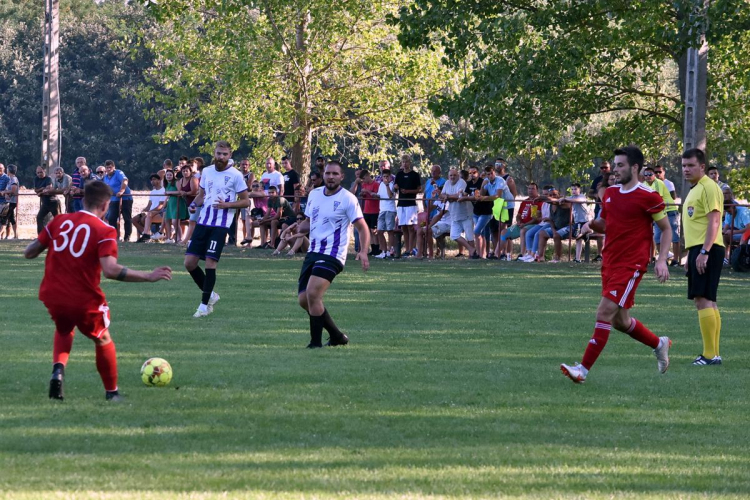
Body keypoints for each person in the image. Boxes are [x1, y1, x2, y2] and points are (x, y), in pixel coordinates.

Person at [23, 180, 172, 401]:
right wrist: (148, 276)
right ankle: (112, 393)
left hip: (53, 294)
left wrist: (48, 241)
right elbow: (110, 270)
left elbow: (30, 251)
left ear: (83, 200)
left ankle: (58, 371)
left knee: (64, 330)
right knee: (102, 338)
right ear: (105, 206)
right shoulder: (105, 230)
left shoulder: (60, 221)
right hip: (83, 298)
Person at [561, 146, 672, 384]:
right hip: (610, 261)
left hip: (631, 264)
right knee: (620, 321)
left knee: (603, 312)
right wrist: (590, 225)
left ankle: (582, 369)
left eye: (620, 165)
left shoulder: (648, 196)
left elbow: (666, 228)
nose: (616, 169)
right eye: (615, 165)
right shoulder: (610, 193)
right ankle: (659, 344)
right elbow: (606, 222)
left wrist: (662, 259)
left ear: (634, 168)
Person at [297, 160, 369, 348]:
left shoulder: (348, 199)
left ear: (342, 177)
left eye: (335, 174)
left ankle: (315, 343)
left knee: (313, 293)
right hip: (313, 251)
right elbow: (309, 222)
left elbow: (362, 228)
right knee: (304, 300)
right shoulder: (314, 194)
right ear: (324, 175)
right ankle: (337, 336)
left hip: (333, 254)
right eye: (328, 173)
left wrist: (363, 251)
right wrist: (295, 229)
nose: (330, 177)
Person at [185, 141, 250, 318]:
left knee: (210, 263)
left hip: (220, 226)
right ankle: (211, 295)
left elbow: (246, 201)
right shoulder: (207, 172)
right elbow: (201, 195)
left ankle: (204, 306)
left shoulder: (236, 175)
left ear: (230, 155)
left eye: (224, 154)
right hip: (203, 222)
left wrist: (227, 204)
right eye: (218, 153)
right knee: (189, 263)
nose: (221, 157)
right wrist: (193, 205)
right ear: (214, 153)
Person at [681, 148, 725, 366]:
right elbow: (696, 223)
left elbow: (714, 221)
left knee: (703, 300)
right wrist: (691, 254)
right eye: (683, 165)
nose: (686, 169)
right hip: (699, 249)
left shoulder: (709, 187)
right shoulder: (695, 189)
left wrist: (704, 252)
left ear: (702, 167)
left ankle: (710, 355)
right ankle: (713, 354)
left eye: (690, 165)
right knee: (708, 300)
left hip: (708, 249)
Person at [642, 166, 682, 266]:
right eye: (645, 174)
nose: (648, 176)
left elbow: (657, 199)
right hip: (658, 212)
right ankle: (662, 259)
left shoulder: (658, 183)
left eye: (650, 174)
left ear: (654, 175)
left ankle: (675, 260)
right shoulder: (643, 184)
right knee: (657, 237)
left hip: (670, 211)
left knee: (674, 236)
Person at [438, 168, 476, 257]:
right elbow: (441, 195)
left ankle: (473, 256)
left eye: (454, 175)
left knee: (469, 236)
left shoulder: (462, 182)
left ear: (458, 176)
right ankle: (471, 249)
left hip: (466, 213)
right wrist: (448, 197)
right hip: (454, 214)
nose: (452, 177)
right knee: (454, 235)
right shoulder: (447, 183)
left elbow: (459, 196)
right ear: (448, 176)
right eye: (451, 175)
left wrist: (447, 197)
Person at [394, 155, 422, 257]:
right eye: (403, 162)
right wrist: (395, 187)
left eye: (406, 162)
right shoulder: (399, 174)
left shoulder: (415, 175)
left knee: (410, 228)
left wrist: (408, 191)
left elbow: (419, 189)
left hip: (411, 204)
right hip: (401, 204)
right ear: (401, 163)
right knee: (404, 228)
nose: (405, 164)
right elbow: (395, 187)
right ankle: (406, 250)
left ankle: (411, 249)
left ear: (410, 163)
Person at [102, 160, 133, 242]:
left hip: (125, 198)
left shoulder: (118, 173)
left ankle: (127, 237)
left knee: (127, 218)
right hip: (114, 200)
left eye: (110, 167)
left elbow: (125, 180)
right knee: (111, 218)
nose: (109, 169)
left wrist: (121, 191)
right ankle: (114, 236)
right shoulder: (105, 178)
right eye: (107, 167)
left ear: (114, 167)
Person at [134, 174, 166, 242]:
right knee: (134, 219)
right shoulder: (152, 192)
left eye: (154, 179)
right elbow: (149, 204)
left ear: (159, 180)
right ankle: (145, 234)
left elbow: (161, 206)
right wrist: (144, 210)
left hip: (159, 212)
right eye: (151, 180)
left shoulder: (163, 190)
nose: (152, 181)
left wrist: (149, 211)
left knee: (144, 219)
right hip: (151, 212)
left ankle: (146, 236)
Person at [722, 188, 750, 263]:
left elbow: (748, 228)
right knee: (723, 237)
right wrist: (721, 233)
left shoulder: (743, 212)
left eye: (730, 211)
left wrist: (733, 232)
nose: (729, 213)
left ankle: (740, 260)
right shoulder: (728, 214)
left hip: (748, 232)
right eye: (727, 212)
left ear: (734, 207)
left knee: (744, 236)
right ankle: (725, 259)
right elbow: (726, 227)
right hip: (741, 232)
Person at [374, 168, 397, 258]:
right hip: (382, 210)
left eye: (387, 176)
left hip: (390, 210)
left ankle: (390, 250)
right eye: (384, 176)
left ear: (390, 176)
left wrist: (387, 185)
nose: (385, 178)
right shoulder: (381, 185)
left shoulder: (392, 185)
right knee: (379, 231)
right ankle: (383, 251)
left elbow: (390, 195)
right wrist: (375, 195)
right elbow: (380, 195)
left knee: (390, 231)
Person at [163, 169, 187, 243]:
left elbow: (180, 192)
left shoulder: (176, 182)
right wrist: (165, 203)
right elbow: (167, 195)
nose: (169, 176)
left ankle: (180, 238)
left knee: (175, 222)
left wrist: (170, 192)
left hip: (178, 203)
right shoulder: (167, 184)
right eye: (167, 175)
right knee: (167, 220)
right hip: (171, 204)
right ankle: (169, 238)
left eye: (170, 175)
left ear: (173, 175)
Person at [34, 166, 58, 234]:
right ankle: (41, 236)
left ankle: (59, 234)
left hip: (52, 201)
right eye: (38, 173)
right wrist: (42, 188)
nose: (39, 174)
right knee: (39, 217)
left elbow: (48, 189)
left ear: (44, 171)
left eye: (41, 172)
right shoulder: (36, 179)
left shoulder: (48, 179)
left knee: (58, 219)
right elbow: (35, 190)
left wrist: (40, 192)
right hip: (45, 203)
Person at [1, 165, 19, 238]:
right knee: (11, 218)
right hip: (9, 201)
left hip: (12, 202)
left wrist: (4, 192)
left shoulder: (14, 179)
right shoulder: (10, 179)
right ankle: (16, 235)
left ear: (9, 170)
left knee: (4, 218)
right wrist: (6, 193)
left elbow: (13, 190)